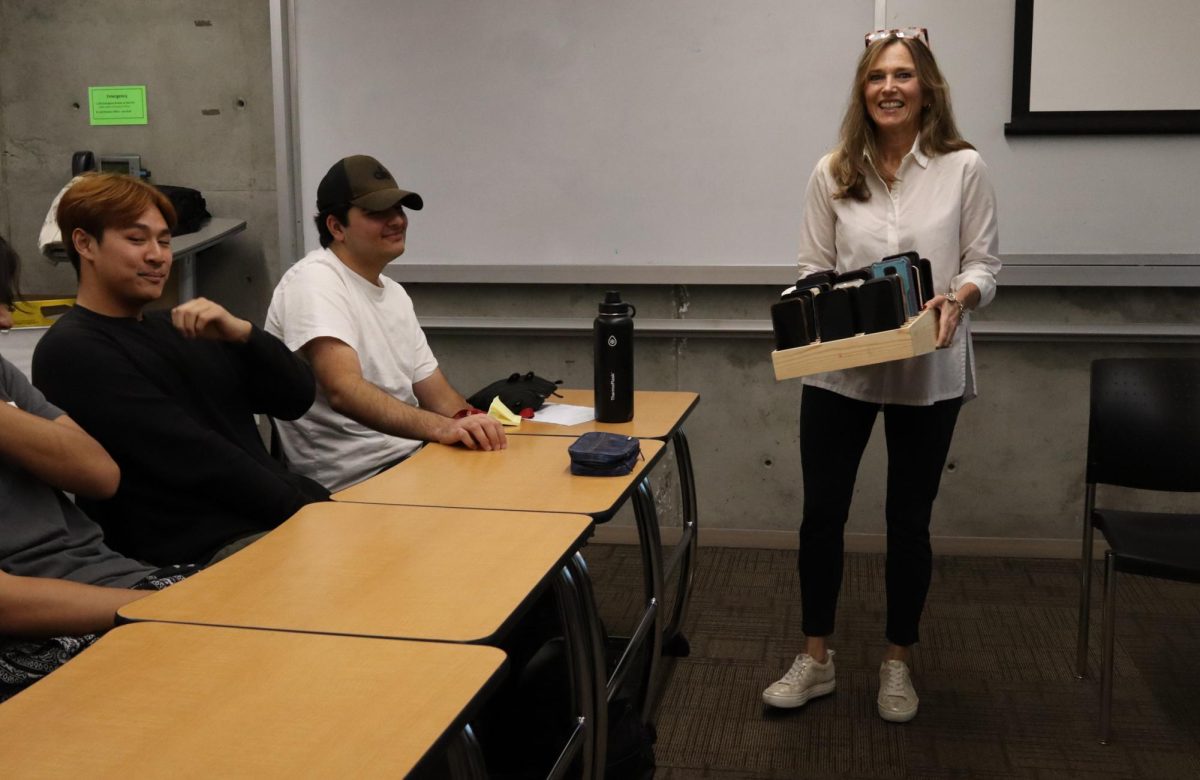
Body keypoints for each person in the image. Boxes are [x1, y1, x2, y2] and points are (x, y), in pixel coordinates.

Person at [762, 27, 1001, 722]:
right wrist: (821, 309)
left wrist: (958, 298)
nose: (889, 87)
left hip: (930, 372)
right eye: (875, 77)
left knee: (908, 523)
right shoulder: (832, 170)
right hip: (842, 374)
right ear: (862, 92)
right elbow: (811, 268)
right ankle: (816, 659)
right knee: (820, 519)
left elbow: (983, 265)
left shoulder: (965, 168)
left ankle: (897, 662)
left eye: (902, 74)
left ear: (926, 87)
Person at [32, 173, 329, 567]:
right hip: (197, 553)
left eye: (165, 240)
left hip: (269, 522)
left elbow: (296, 398)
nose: (157, 255)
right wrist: (315, 514)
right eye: (137, 240)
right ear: (85, 243)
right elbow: (199, 460)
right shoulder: (72, 349)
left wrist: (245, 335)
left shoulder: (181, 326)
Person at [0, 235, 196, 702]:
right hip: (46, 632)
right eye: (135, 238)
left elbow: (99, 475)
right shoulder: (73, 345)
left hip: (116, 579)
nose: (6, 319)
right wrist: (164, 609)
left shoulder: (1, 375)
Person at [265, 154, 506, 492]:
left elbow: (438, 396)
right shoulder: (314, 280)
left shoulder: (394, 293)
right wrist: (440, 429)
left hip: (413, 462)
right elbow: (343, 390)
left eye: (399, 209)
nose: (396, 221)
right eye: (377, 213)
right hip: (354, 483)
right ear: (336, 227)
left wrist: (476, 424)